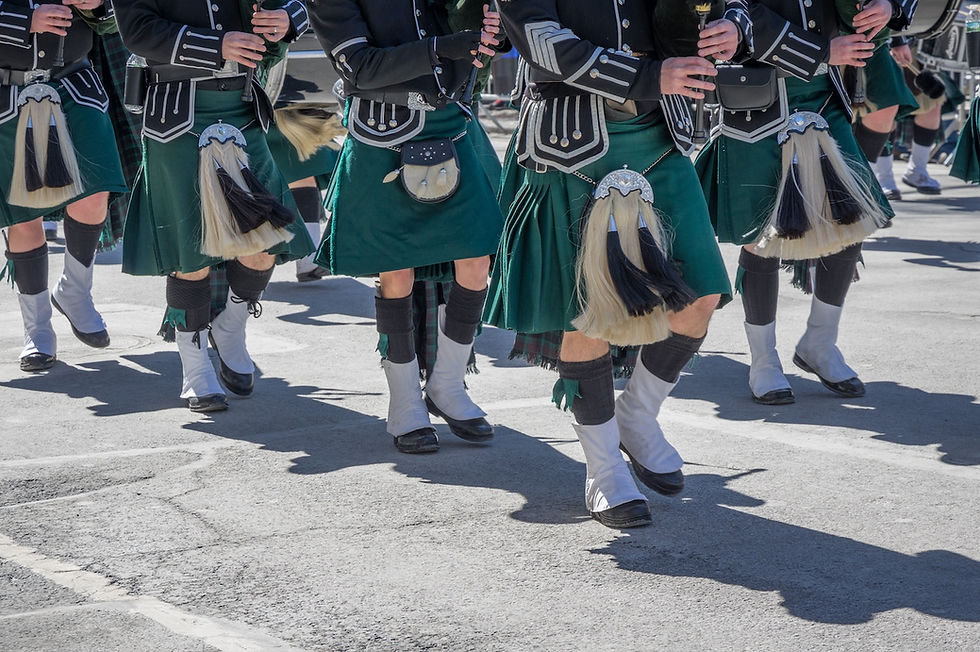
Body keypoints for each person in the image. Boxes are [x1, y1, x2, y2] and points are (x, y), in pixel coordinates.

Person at [487, 1, 745, 528]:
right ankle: (604, 471)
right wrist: (647, 75)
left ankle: (637, 414)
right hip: (570, 138)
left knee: (700, 295)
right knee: (586, 315)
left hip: (661, 130)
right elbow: (539, 40)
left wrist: (733, 26)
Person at [308, 0, 504, 455]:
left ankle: (447, 384)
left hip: (450, 124)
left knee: (477, 259)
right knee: (396, 272)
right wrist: (443, 47)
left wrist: (492, 31)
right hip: (381, 131)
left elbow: (482, 34)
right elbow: (359, 66)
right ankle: (404, 401)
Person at [696, 0, 915, 406]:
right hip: (756, 94)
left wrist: (888, 8)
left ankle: (820, 342)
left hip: (824, 94)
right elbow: (735, 9)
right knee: (761, 237)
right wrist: (821, 52)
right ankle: (763, 360)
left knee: (851, 221)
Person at [115, 0, 315, 412]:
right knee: (190, 255)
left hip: (242, 107)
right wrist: (216, 45)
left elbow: (299, 4)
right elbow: (137, 32)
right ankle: (194, 368)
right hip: (177, 112)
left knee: (265, 243)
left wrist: (288, 19)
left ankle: (231, 326)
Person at [1, 0, 127, 372]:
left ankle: (75, 289)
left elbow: (118, 19)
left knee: (95, 191)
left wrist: (98, 4)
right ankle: (38, 330)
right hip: (6, 90)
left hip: (75, 83)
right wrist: (24, 20)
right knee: (23, 218)